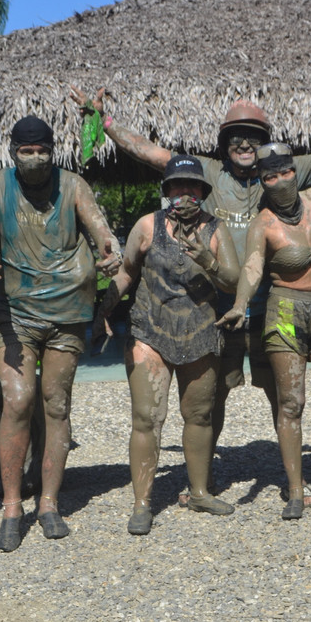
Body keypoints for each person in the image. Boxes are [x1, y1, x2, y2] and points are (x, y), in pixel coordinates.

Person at [71, 83, 311, 507]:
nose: (245, 142)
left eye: (254, 134)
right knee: (209, 401)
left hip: (277, 308)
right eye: (236, 135)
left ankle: (296, 483)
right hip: (219, 311)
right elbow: (147, 151)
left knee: (286, 399)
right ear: (224, 142)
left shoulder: (287, 170)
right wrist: (104, 121)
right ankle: (204, 479)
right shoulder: (208, 175)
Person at [0, 115, 121, 552]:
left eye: (42, 151)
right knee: (18, 400)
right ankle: (11, 504)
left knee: (56, 403)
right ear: (13, 151)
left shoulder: (73, 185)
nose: (35, 159)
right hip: (14, 310)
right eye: (27, 151)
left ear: (52, 151)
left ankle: (50, 502)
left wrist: (107, 248)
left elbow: (98, 226)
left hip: (67, 309)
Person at [93, 155, 240, 535]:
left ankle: (200, 491)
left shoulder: (216, 229)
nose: (185, 194)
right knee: (146, 417)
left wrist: (208, 259)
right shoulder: (147, 226)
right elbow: (126, 272)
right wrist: (103, 310)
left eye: (192, 188)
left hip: (200, 331)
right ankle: (143, 503)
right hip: (150, 330)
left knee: (199, 415)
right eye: (177, 187)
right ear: (167, 191)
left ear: (202, 193)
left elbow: (232, 282)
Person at [217, 143, 311, 520]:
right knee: (291, 403)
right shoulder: (262, 222)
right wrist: (238, 305)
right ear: (262, 181)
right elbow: (252, 266)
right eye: (269, 177)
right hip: (284, 314)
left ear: (296, 171)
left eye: (285, 173)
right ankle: (295, 490)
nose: (279, 181)